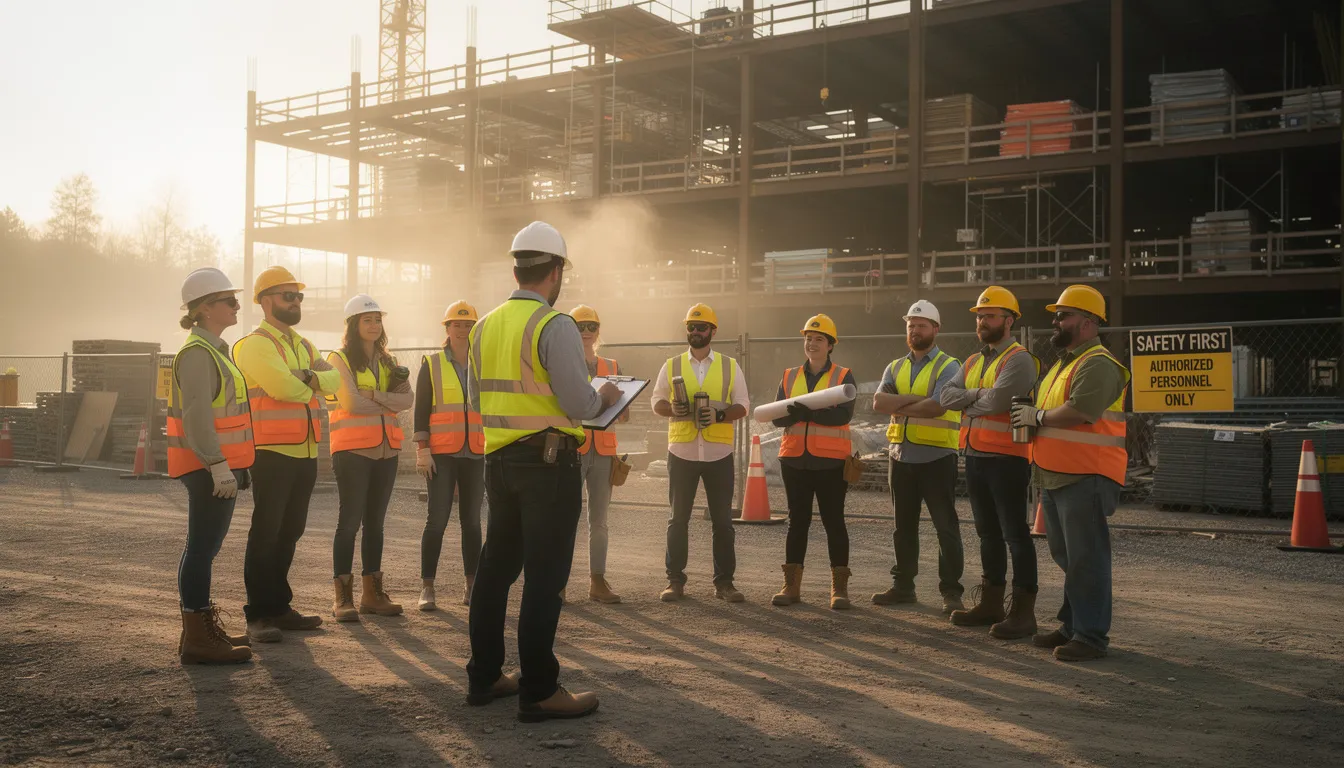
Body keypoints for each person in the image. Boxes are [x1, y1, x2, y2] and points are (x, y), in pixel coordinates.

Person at [465, 221, 622, 722]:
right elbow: (580, 403)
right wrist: (608, 395)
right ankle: (539, 689)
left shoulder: (484, 325)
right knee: (544, 577)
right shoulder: (554, 326)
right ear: (555, 272)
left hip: (500, 462)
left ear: (516, 267)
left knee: (494, 573)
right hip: (549, 463)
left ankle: (486, 675)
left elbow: (476, 398)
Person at [1011, 285, 1130, 662]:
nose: (1056, 321)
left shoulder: (1098, 363)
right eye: (1057, 315)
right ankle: (1072, 625)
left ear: (1088, 322)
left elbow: (1081, 410)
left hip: (1086, 475)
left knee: (1086, 557)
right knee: (1068, 555)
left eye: (1063, 315)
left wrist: (1038, 417)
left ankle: (1091, 637)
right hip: (1057, 473)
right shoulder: (1065, 363)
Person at [232, 265, 340, 643]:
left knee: (290, 530)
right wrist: (311, 379)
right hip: (271, 451)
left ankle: (279, 606)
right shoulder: (255, 345)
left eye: (298, 296)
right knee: (267, 531)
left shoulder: (305, 345)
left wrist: (308, 378)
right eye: (287, 296)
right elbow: (281, 387)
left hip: (305, 450)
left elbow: (335, 380)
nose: (295, 302)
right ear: (264, 301)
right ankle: (258, 614)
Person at [940, 286, 1041, 638]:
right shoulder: (972, 361)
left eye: (990, 316)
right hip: (976, 455)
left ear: (1009, 320)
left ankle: (1024, 613)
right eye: (980, 316)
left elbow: (1000, 401)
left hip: (1008, 458)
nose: (982, 321)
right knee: (988, 534)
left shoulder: (1019, 359)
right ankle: (992, 603)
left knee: (1015, 535)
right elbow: (945, 396)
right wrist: (977, 397)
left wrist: (969, 400)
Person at [166, 267, 254, 664]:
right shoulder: (198, 354)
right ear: (204, 308)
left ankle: (198, 629)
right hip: (207, 468)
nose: (237, 305)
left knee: (204, 547)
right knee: (202, 549)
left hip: (218, 466)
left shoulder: (215, 351)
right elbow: (197, 417)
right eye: (229, 301)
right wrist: (218, 464)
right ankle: (199, 637)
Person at [650, 303, 750, 604]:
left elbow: (743, 405)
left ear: (713, 331)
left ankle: (724, 584)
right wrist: (673, 409)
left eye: (701, 327)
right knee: (677, 519)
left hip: (718, 453)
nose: (695, 332)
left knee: (722, 522)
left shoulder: (730, 366)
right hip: (682, 451)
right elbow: (657, 402)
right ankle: (675, 581)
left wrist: (719, 417)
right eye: (691, 327)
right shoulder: (672, 365)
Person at [871, 300, 966, 614]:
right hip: (901, 456)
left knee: (945, 527)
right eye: (911, 325)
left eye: (921, 325)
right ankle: (903, 587)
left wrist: (899, 403)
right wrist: (915, 400)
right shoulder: (895, 366)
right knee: (903, 527)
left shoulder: (949, 366)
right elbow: (878, 403)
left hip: (937, 458)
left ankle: (951, 592)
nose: (915, 330)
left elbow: (936, 407)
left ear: (935, 330)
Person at [326, 294, 413, 622]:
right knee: (349, 523)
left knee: (375, 524)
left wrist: (375, 395)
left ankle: (372, 594)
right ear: (353, 325)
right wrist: (388, 401)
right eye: (368, 320)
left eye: (378, 320)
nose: (375, 325)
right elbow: (351, 404)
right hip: (352, 450)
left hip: (386, 449)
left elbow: (409, 401)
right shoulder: (339, 360)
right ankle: (343, 597)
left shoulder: (389, 361)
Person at [770, 313, 857, 610]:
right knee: (798, 523)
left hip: (831, 462)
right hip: (794, 459)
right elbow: (776, 417)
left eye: (819, 339)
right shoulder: (789, 375)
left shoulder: (844, 376)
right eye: (808, 338)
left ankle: (839, 590)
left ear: (830, 345)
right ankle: (791, 586)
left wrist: (811, 414)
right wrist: (792, 415)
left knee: (834, 523)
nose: (812, 343)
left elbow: (844, 415)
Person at [414, 300, 486, 611]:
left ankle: (472, 584)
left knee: (471, 522)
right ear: (447, 328)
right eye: (457, 324)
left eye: (469, 325)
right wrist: (423, 451)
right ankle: (427, 587)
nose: (463, 329)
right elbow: (420, 413)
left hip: (477, 452)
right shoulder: (431, 364)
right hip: (441, 454)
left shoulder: (484, 364)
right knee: (437, 520)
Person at [570, 304, 625, 605]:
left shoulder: (613, 366)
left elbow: (623, 413)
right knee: (565, 518)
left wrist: (623, 405)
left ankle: (597, 581)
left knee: (599, 521)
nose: (587, 332)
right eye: (581, 326)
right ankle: (559, 583)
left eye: (592, 326)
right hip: (573, 448)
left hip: (603, 450)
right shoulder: (565, 363)